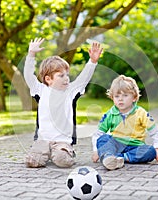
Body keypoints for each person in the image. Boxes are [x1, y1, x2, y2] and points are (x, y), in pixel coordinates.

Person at [23, 38, 103, 168]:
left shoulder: (71, 91)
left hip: (62, 141)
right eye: (61, 75)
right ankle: (45, 152)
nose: (66, 78)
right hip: (43, 140)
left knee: (62, 161)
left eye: (67, 75)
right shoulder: (40, 90)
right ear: (48, 79)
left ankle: (64, 152)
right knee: (32, 162)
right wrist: (31, 54)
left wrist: (92, 61)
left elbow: (84, 77)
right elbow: (28, 75)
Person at [91, 75, 158, 170]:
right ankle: (108, 157)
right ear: (112, 97)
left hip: (135, 146)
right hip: (116, 144)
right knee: (103, 138)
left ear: (134, 97)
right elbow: (98, 134)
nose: (120, 99)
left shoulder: (141, 113)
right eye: (117, 96)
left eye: (125, 95)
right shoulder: (110, 114)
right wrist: (96, 151)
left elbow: (156, 132)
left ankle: (120, 158)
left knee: (151, 151)